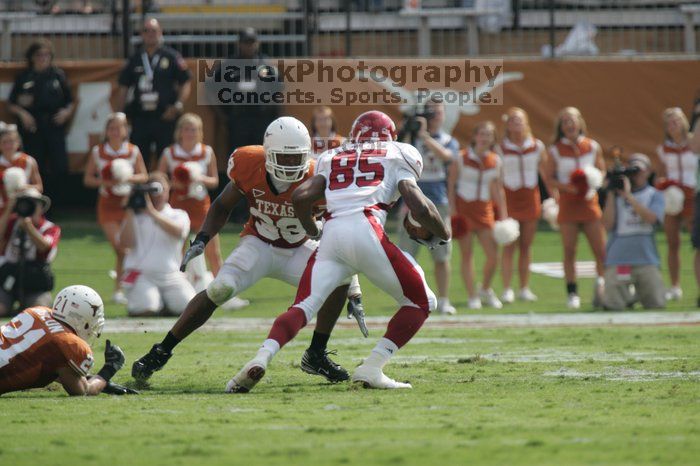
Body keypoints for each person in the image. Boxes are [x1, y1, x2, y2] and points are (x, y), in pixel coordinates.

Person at [226, 110, 450, 393]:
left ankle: (261, 356)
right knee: (422, 302)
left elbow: (301, 196)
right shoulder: (399, 152)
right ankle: (372, 366)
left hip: (331, 235)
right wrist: (443, 233)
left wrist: (312, 231)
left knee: (303, 306)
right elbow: (419, 206)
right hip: (367, 228)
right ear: (389, 135)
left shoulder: (332, 155)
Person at [132, 117, 365, 384]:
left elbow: (339, 229)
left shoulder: (318, 178)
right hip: (259, 245)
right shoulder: (248, 164)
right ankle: (161, 350)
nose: (290, 165)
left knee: (338, 280)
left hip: (299, 248)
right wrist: (203, 238)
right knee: (220, 289)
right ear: (268, 153)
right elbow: (221, 205)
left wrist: (354, 286)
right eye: (283, 157)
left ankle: (316, 353)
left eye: (296, 157)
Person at [0, 285, 134, 396]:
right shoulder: (68, 343)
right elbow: (83, 391)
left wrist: (98, 382)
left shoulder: (37, 311)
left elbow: (39, 362)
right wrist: (108, 370)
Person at [398, 98, 459, 315]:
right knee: (406, 254)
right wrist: (410, 131)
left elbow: (447, 157)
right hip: (412, 200)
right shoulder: (411, 139)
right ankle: (407, 297)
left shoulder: (448, 139)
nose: (434, 115)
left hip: (438, 202)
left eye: (438, 111)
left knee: (442, 255)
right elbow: (399, 155)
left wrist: (424, 136)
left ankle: (443, 299)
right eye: (430, 111)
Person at [157, 113, 227, 295]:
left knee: (213, 251)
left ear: (200, 133)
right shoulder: (170, 153)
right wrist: (176, 184)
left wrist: (198, 178)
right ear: (179, 132)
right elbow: (159, 180)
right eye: (186, 129)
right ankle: (178, 290)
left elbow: (214, 181)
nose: (190, 133)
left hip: (201, 205)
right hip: (178, 207)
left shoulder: (206, 152)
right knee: (178, 252)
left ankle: (222, 290)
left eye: (194, 129)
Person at [545, 107, 607, 309]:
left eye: (572, 121)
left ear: (580, 123)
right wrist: (568, 187)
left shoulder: (592, 146)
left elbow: (602, 169)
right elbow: (549, 178)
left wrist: (594, 181)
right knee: (570, 250)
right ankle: (572, 293)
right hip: (568, 205)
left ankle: (603, 287)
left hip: (589, 203)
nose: (569, 125)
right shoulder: (555, 150)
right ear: (561, 127)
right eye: (565, 122)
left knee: (601, 250)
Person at [83, 112, 148, 304]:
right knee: (120, 247)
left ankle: (121, 289)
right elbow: (88, 179)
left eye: (120, 127)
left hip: (128, 205)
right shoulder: (98, 151)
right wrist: (107, 181)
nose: (116, 131)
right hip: (107, 204)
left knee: (129, 248)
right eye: (112, 128)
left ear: (125, 130)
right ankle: (122, 287)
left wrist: (127, 178)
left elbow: (143, 176)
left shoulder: (133, 150)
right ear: (106, 131)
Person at [116, 18, 192, 168]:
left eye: (153, 30)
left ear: (160, 32)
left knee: (167, 159)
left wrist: (178, 105)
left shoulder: (171, 56)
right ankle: (140, 191)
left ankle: (167, 191)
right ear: (141, 34)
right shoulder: (135, 58)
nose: (150, 34)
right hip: (140, 117)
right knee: (138, 160)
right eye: (146, 31)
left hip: (165, 117)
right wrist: (120, 115)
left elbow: (186, 81)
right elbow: (123, 87)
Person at [448, 121, 507, 310]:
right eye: (481, 134)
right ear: (475, 137)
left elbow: (498, 189)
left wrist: (504, 215)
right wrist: (452, 211)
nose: (484, 138)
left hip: (485, 210)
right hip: (464, 209)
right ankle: (472, 295)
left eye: (488, 135)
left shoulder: (496, 160)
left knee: (493, 255)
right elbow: (451, 185)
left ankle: (485, 288)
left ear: (493, 139)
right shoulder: (461, 157)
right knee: (467, 254)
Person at [118, 172, 195, 317]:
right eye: (153, 191)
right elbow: (125, 243)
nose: (158, 195)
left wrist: (151, 212)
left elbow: (178, 232)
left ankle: (165, 304)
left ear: (168, 190)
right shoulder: (135, 216)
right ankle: (157, 304)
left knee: (188, 308)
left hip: (171, 275)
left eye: (161, 189)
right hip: (142, 274)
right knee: (145, 308)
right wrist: (130, 208)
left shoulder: (178, 214)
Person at [7, 39, 73, 201]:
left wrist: (66, 113)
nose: (43, 58)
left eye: (46, 54)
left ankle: (56, 201)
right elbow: (11, 104)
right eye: (39, 55)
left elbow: (70, 101)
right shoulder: (24, 77)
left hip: (54, 125)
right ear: (32, 57)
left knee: (60, 166)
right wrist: (23, 114)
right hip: (32, 127)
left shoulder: (58, 75)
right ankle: (37, 202)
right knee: (37, 165)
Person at [602, 154, 666, 310]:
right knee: (613, 305)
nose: (636, 174)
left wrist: (628, 196)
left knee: (655, 303)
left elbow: (651, 219)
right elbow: (607, 225)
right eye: (632, 171)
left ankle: (633, 294)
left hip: (646, 258)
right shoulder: (616, 196)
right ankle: (604, 291)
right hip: (619, 259)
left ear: (648, 172)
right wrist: (611, 192)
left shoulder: (655, 195)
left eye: (639, 170)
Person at [498, 107, 547, 303]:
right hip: (509, 196)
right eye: (512, 120)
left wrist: (552, 198)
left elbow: (545, 174)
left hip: (530, 196)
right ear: (507, 125)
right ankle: (507, 289)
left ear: (526, 123)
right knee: (509, 245)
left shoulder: (537, 146)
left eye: (520, 120)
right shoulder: (500, 147)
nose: (516, 124)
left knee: (526, 246)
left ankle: (524, 288)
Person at [651, 108, 698, 301]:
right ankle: (675, 286)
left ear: (685, 122)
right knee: (672, 243)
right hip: (672, 198)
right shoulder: (663, 149)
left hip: (692, 195)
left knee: (697, 243)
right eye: (669, 123)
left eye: (677, 121)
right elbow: (659, 175)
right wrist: (664, 187)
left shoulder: (695, 144)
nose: (674, 125)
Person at [0, 188, 60, 316]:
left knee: (38, 313)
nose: (28, 206)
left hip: (35, 281)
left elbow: (44, 247)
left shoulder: (50, 228)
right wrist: (9, 208)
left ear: (41, 207)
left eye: (33, 203)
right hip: (9, 277)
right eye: (25, 202)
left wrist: (29, 227)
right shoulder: (12, 222)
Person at [0, 124, 43, 215]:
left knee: (34, 198)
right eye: (4, 142)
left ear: (18, 143)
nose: (8, 146)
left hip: (23, 204)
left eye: (11, 141)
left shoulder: (28, 161)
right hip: (2, 205)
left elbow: (39, 187)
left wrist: (25, 187)